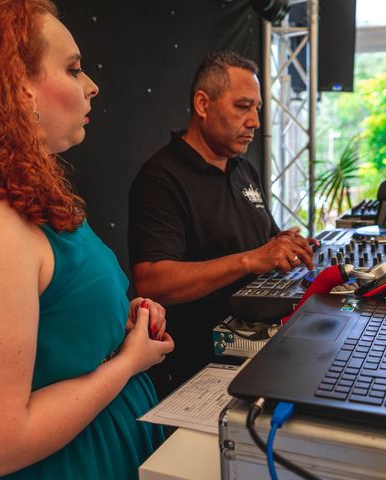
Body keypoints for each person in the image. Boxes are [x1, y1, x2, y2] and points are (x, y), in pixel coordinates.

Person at [0, 1, 174, 478]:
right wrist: (127, 363)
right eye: (72, 69)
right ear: (15, 86)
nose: (91, 85)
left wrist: (115, 327)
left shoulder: (20, 194)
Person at [128, 51, 317, 398]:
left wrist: (286, 244)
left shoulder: (243, 168)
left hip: (258, 355)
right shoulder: (161, 178)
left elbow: (265, 240)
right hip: (198, 371)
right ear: (203, 104)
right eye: (243, 107)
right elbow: (152, 281)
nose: (255, 122)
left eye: (257, 108)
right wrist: (249, 259)